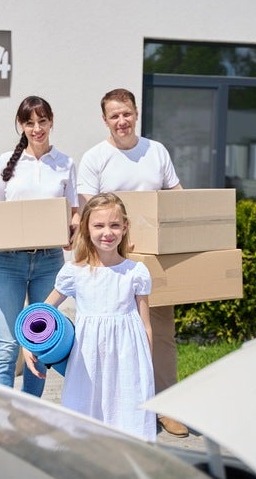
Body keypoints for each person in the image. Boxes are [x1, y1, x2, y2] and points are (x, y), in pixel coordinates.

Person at [77, 88, 189, 438]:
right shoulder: (95, 158)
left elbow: (177, 197)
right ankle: (114, 408)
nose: (121, 121)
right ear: (105, 120)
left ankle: (165, 407)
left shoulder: (156, 151)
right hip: (113, 262)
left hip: (156, 259)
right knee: (113, 336)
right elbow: (88, 213)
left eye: (126, 113)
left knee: (162, 334)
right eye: (114, 116)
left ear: (136, 113)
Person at [27, 193, 156, 441]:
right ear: (86, 227)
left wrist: (147, 367)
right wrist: (27, 344)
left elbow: (146, 325)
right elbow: (40, 314)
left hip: (129, 360)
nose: (107, 232)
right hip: (88, 362)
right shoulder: (75, 272)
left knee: (128, 418)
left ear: (125, 227)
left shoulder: (136, 272)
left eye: (114, 225)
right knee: (85, 416)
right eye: (99, 225)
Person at [0, 95, 79, 396]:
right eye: (30, 123)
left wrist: (73, 231)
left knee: (38, 344)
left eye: (42, 121)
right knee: (7, 346)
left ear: (52, 121)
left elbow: (74, 211)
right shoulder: (6, 161)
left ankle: (28, 418)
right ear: (21, 125)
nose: (37, 128)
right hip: (9, 263)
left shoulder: (65, 163)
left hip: (49, 262)